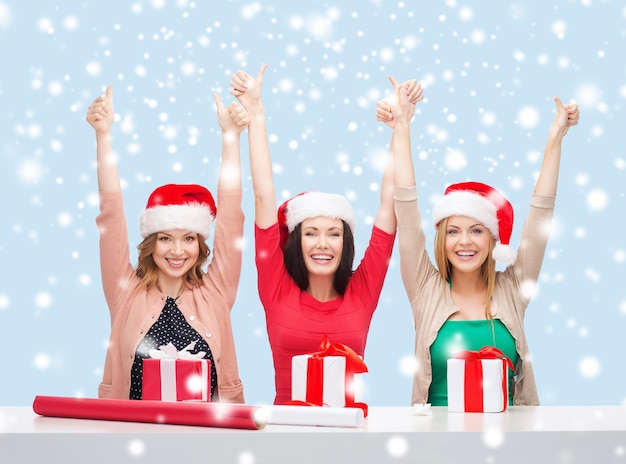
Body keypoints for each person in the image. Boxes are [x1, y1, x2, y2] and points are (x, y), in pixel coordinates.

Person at [230, 65, 421, 405]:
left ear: (345, 243)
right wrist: (256, 113)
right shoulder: (277, 286)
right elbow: (264, 196)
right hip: (287, 433)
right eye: (311, 234)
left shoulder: (362, 290)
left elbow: (389, 207)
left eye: (334, 234)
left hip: (349, 432)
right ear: (295, 241)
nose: (322, 244)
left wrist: (400, 129)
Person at [387, 86, 580, 406]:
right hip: (435, 445)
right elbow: (406, 210)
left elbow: (540, 212)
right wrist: (402, 127)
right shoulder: (424, 288)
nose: (464, 241)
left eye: (476, 230)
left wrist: (556, 136)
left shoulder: (513, 288)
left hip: (507, 444)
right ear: (442, 239)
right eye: (453, 231)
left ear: (492, 241)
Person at [86, 86, 249, 403]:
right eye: (165, 239)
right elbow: (111, 215)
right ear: (151, 243)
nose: (177, 251)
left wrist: (231, 138)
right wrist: (103, 136)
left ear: (200, 245)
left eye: (188, 238)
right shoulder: (125, 293)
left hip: (205, 440)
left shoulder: (215, 292)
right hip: (135, 439)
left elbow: (230, 216)